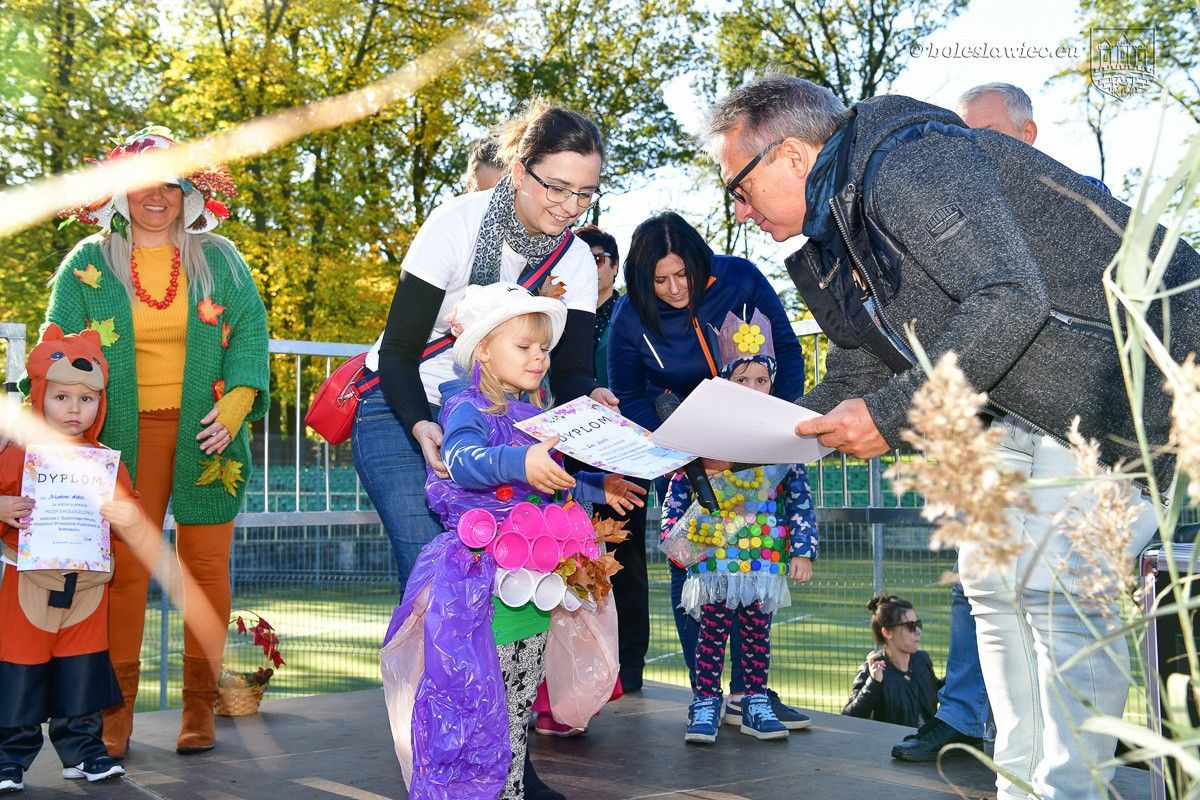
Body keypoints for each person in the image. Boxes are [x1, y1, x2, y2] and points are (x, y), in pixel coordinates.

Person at [705, 74, 1199, 799]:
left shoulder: (906, 159)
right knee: (995, 587)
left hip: (1131, 392)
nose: (740, 210)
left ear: (792, 158)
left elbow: (1010, 298)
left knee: (1062, 593)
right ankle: (1022, 786)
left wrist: (891, 413)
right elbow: (855, 368)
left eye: (739, 188)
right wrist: (755, 436)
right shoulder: (836, 234)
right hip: (1018, 410)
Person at [47, 125, 270, 757]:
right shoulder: (88, 262)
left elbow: (251, 329)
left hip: (208, 437)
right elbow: (57, 343)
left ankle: (199, 708)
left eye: (170, 183)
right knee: (121, 574)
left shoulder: (220, 258)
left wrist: (238, 399)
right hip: (117, 441)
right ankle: (113, 716)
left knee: (204, 572)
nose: (157, 195)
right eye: (145, 182)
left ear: (185, 194)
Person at [390, 282, 645, 800]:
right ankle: (492, 789)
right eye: (524, 347)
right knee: (486, 698)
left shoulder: (534, 416)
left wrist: (600, 483)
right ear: (483, 348)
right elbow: (462, 461)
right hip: (484, 582)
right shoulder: (465, 408)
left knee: (520, 699)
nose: (539, 359)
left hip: (536, 581)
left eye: (544, 349)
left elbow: (550, 476)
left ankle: (510, 786)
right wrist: (517, 462)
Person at [356, 101, 615, 603]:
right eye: (557, 187)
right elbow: (399, 350)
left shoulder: (578, 260)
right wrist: (418, 422)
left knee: (503, 580)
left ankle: (488, 684)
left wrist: (593, 402)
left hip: (503, 417)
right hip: (406, 406)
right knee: (435, 579)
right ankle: (428, 683)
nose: (570, 205)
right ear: (520, 171)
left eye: (584, 193)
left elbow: (573, 372)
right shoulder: (455, 224)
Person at [607, 212, 809, 728]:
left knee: (752, 565)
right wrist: (676, 443)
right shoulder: (631, 317)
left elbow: (785, 349)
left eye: (684, 276)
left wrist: (772, 422)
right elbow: (628, 393)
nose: (675, 289)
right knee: (692, 563)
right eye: (660, 280)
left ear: (701, 267)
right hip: (685, 460)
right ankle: (706, 695)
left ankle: (750, 691)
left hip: (754, 453)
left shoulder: (741, 278)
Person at [0, 325, 152, 791]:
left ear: (99, 404)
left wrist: (123, 513)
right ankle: (9, 759)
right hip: (27, 580)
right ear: (41, 395)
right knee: (19, 668)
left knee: (81, 668)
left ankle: (85, 752)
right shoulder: (15, 452)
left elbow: (134, 517)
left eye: (86, 399)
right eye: (62, 396)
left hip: (87, 586)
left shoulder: (106, 460)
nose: (74, 408)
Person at [657, 310, 818, 744]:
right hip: (715, 558)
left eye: (760, 381)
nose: (751, 390)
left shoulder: (785, 438)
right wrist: (673, 534)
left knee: (756, 633)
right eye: (741, 381)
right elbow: (679, 488)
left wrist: (802, 550)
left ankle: (754, 699)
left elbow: (799, 496)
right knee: (711, 632)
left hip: (763, 557)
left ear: (772, 385)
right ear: (725, 385)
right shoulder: (703, 437)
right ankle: (706, 700)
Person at [531, 221, 623, 737]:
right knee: (536, 605)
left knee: (573, 600)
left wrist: (596, 487)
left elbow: (562, 474)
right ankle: (536, 700)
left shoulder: (562, 386)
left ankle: (565, 700)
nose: (538, 356)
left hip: (566, 516)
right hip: (522, 525)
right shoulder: (494, 400)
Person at [842, 595, 940, 728]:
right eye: (910, 626)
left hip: (929, 745)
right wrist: (874, 683)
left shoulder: (922, 660)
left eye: (918, 624)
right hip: (893, 746)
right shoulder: (873, 670)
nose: (918, 631)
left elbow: (935, 691)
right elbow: (848, 719)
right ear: (887, 632)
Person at [574, 224, 620, 385]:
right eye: (581, 261)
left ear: (615, 266)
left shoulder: (633, 316)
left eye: (597, 259)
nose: (589, 267)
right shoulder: (560, 317)